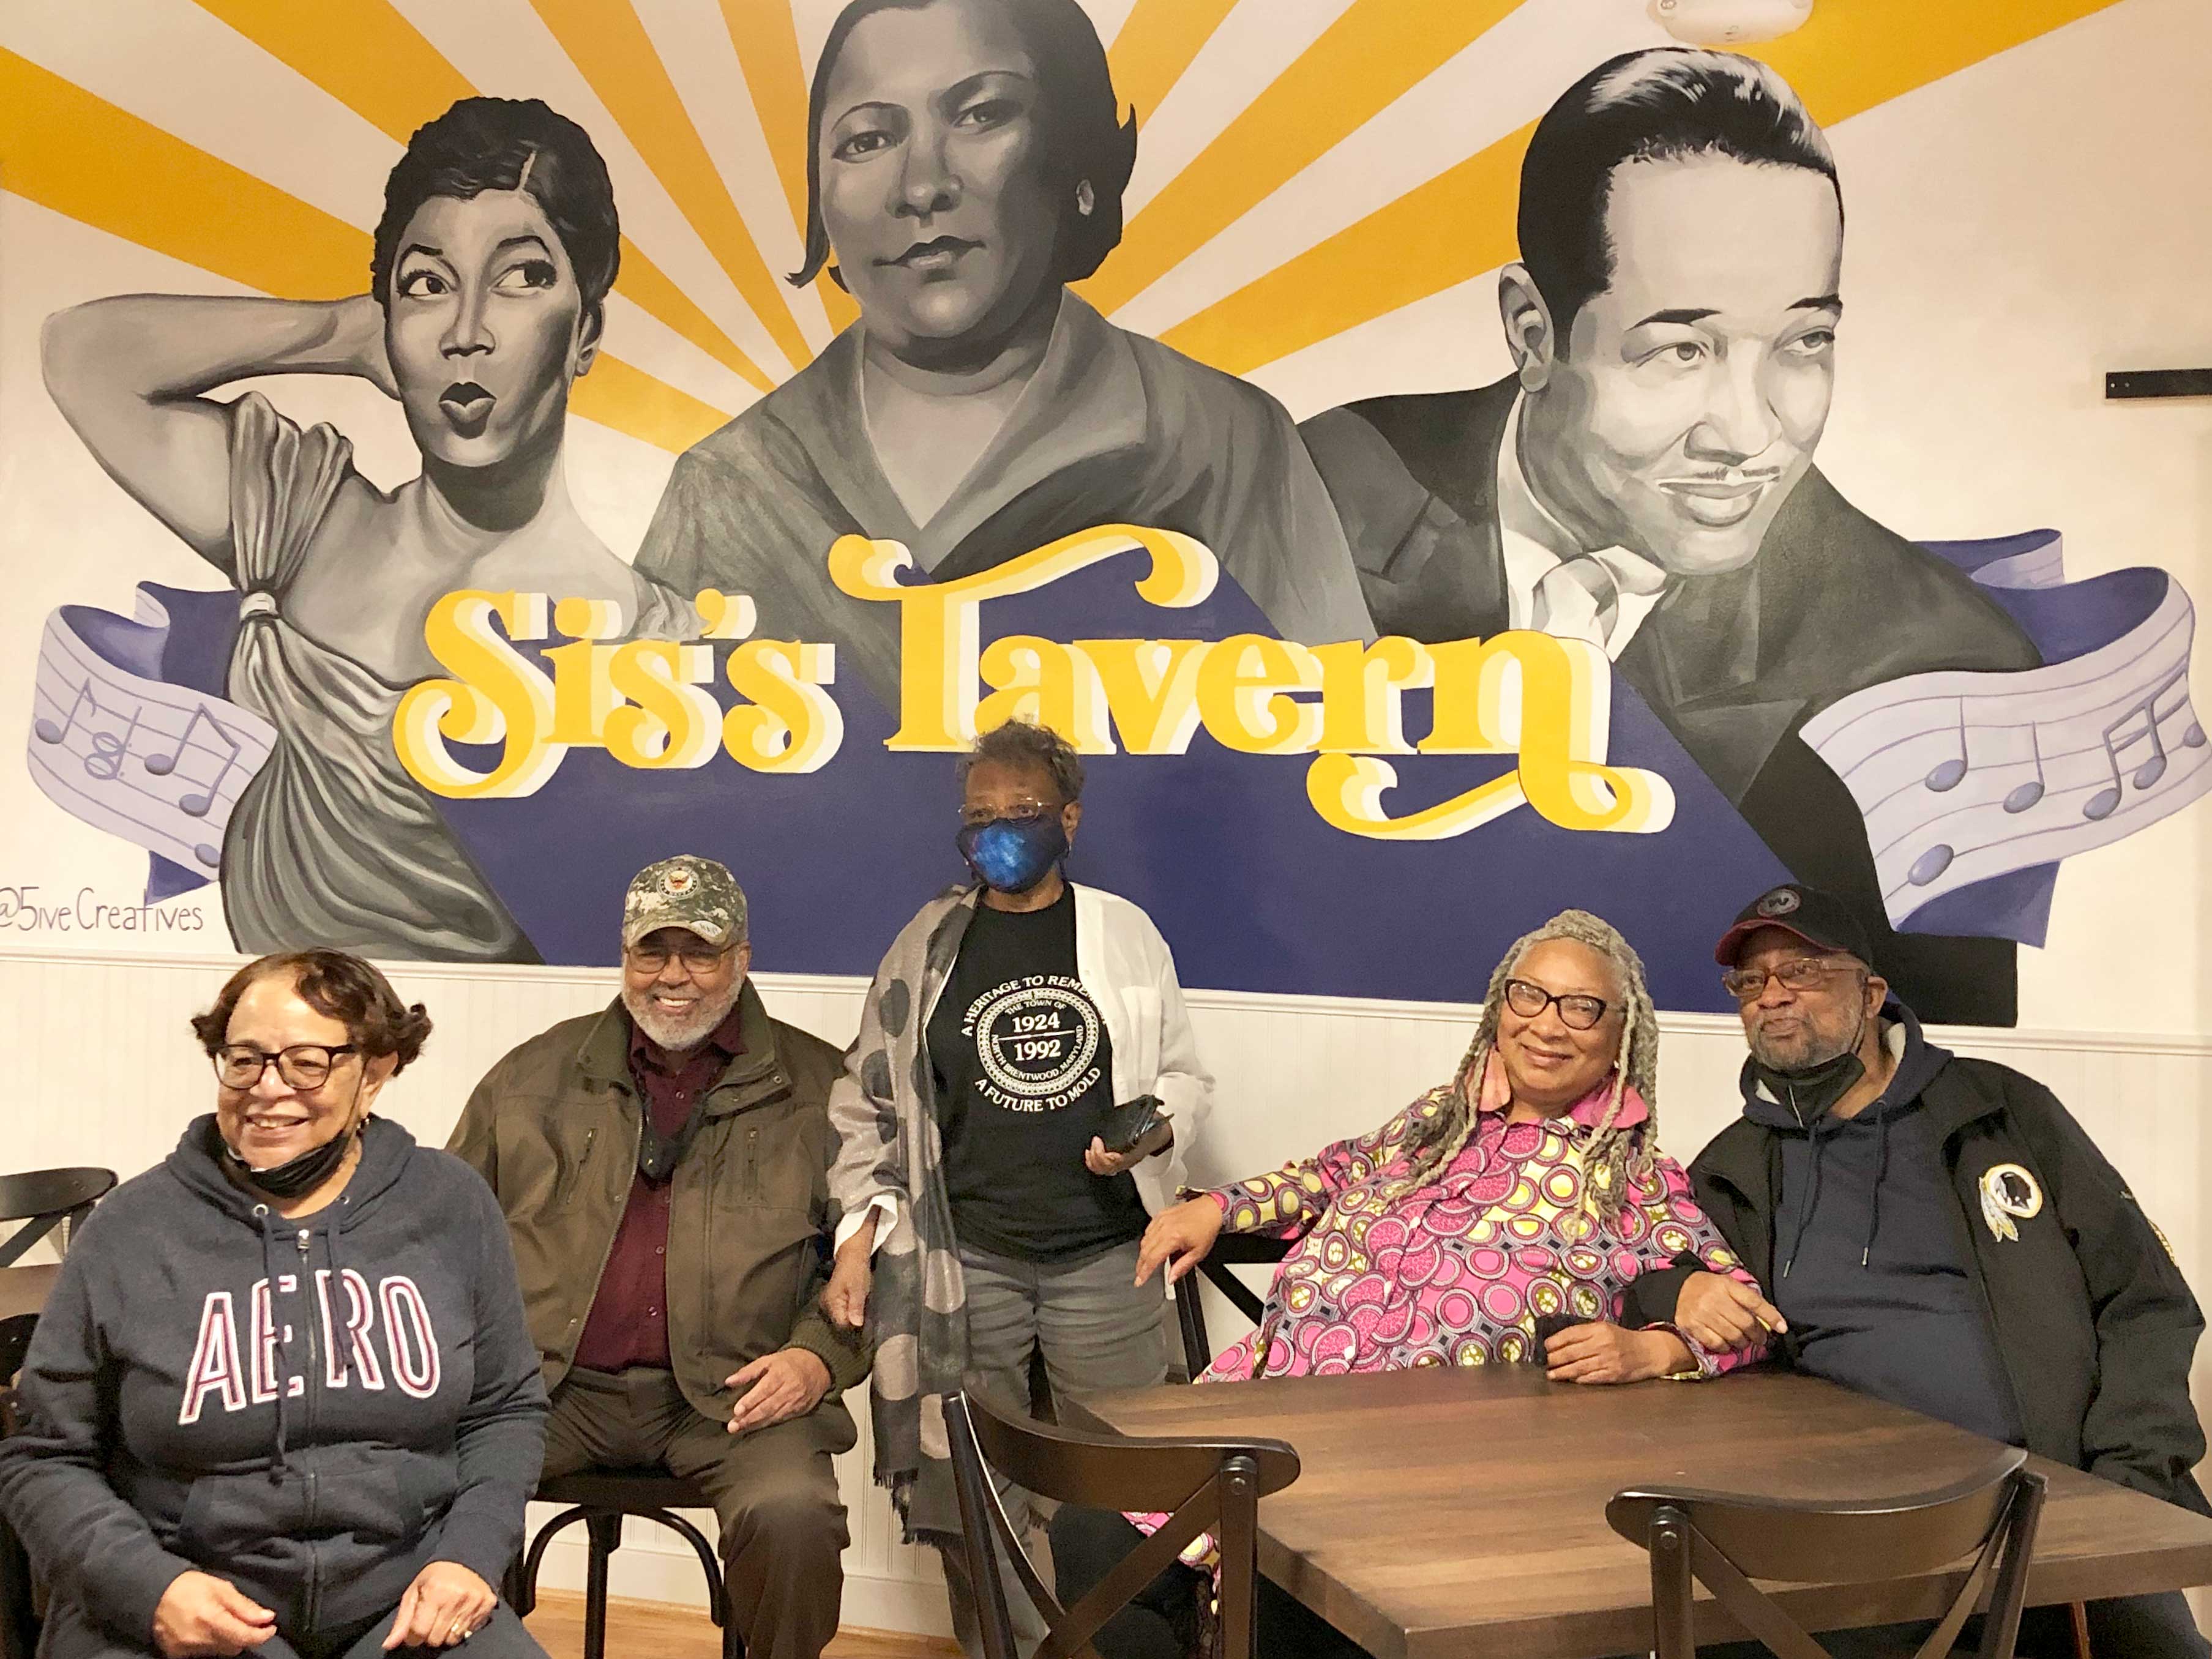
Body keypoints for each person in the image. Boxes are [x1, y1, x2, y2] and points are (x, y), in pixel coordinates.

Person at [1298, 48, 2040, 1026]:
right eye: (1679, 349)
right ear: (1531, 332)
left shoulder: (1945, 682)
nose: (1749, 432)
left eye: (1802, 341)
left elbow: (1939, 1061)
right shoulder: (1326, 483)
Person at [40, 95, 689, 963]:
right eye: (428, 282)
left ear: (586, 331)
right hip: (277, 1055)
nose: (465, 333)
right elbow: (84, 354)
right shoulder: (299, 519)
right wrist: (341, 330)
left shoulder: (659, 647)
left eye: (520, 277)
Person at [1049, 908, 1765, 1659]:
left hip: (1409, 1480)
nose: (1548, 1025)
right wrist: (1221, 1206)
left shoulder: (1632, 1180)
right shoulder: (1434, 1118)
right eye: (1529, 995)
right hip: (1265, 1405)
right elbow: (1329, 1173)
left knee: (1283, 1603)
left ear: (1622, 1033)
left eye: (1581, 1006)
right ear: (1499, 1007)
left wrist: (1655, 1349)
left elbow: (1743, 1320)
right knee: (1090, 1536)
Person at [633, 0, 1374, 715]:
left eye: (980, 114)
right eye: (866, 139)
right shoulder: (727, 486)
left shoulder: (1221, 441)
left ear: (1076, 162)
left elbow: (1338, 750)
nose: (922, 186)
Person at [1626, 882, 2210, 1658]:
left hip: (2058, 1493)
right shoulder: (1735, 1165)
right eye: (1750, 981)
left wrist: (2125, 1477)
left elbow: (2144, 1299)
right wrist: (1678, 1288)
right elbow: (1646, 1271)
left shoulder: (2000, 1111)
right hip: (1849, 1526)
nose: (1770, 996)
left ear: (1870, 993)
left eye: (1799, 971)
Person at [0, 950, 548, 1659]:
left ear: (375, 1070)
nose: (268, 1087)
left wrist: (469, 1555)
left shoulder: (451, 1204)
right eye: (245, 1058)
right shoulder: (133, 1227)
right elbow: (42, 1455)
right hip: (185, 1594)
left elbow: (505, 1409)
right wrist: (150, 1587)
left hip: (404, 1596)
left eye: (307, 1063)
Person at [820, 718, 1211, 1656]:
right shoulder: (928, 942)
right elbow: (869, 1096)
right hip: (966, 1260)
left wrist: (1150, 1133)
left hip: (1105, 1252)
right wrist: (854, 1238)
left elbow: (1184, 1079)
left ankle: (1119, 1648)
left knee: (1124, 1482)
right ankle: (1021, 1648)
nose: (998, 830)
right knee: (974, 1489)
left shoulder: (1123, 932)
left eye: (1023, 812)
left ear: (1069, 818)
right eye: (979, 815)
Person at [446, 856, 866, 1659]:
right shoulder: (532, 1075)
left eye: (700, 951)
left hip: (740, 1397)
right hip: (547, 1386)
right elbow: (440, 1236)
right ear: (625, 955)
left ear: (740, 957)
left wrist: (816, 1359)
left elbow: (882, 1256)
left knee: (792, 1513)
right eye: (652, 950)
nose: (674, 975)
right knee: (429, 1481)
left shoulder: (823, 1088)